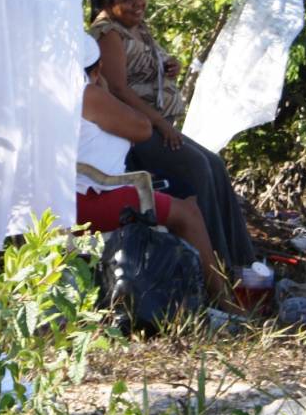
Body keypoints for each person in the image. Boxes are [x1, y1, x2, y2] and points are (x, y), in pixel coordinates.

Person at [88, 0, 255, 269]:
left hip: (156, 124)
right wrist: (161, 125)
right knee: (197, 169)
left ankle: (241, 260)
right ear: (109, 3)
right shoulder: (108, 33)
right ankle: (213, 265)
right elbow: (118, 89)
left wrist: (167, 67)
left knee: (215, 164)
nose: (138, 3)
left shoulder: (137, 26)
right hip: (136, 131)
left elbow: (143, 66)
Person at [75, 34, 232, 309]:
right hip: (88, 199)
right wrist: (104, 88)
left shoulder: (48, 94)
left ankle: (183, 291)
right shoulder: (87, 93)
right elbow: (142, 128)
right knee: (188, 214)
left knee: (184, 195)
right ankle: (223, 301)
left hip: (75, 192)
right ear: (97, 70)